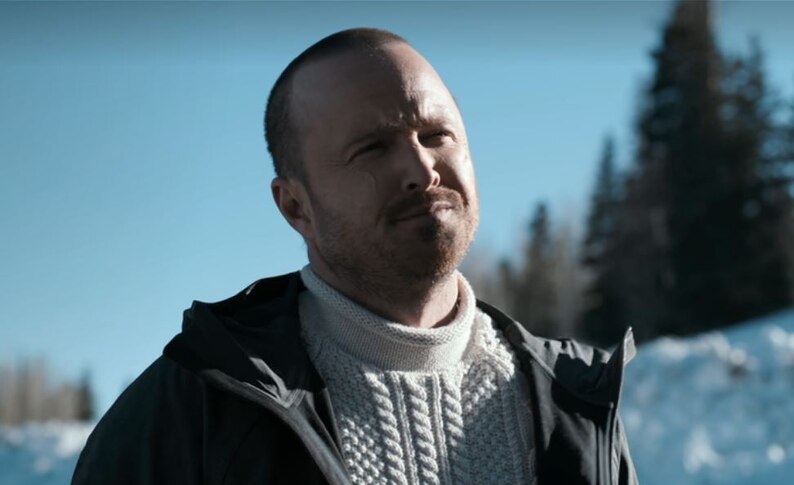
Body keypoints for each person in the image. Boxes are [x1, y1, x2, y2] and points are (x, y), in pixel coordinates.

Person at [72, 28, 638, 485]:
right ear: (296, 207)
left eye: (438, 135)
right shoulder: (194, 410)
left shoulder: (576, 405)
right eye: (373, 148)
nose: (422, 171)